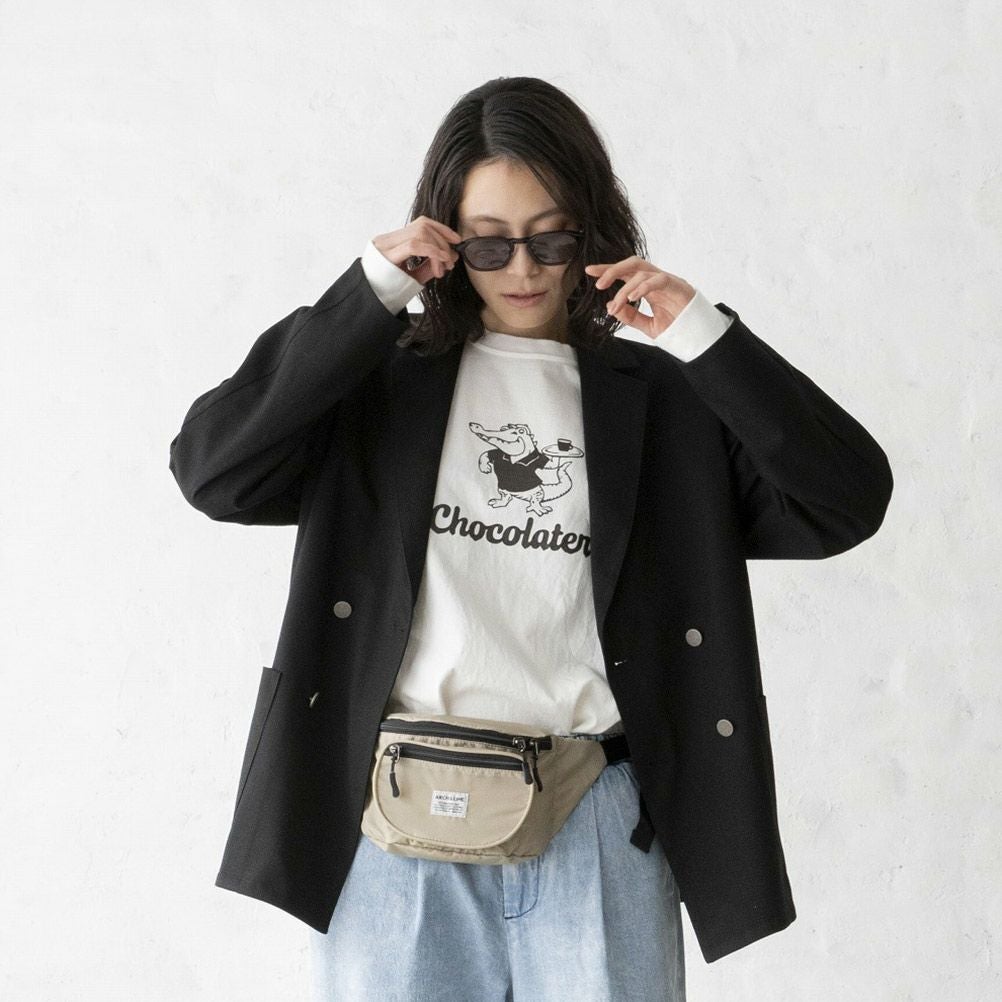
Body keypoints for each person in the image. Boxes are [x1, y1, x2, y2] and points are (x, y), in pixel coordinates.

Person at [168, 76, 893, 1001]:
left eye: (551, 239)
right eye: (488, 243)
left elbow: (846, 500)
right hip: (397, 816)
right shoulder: (378, 384)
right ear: (444, 239)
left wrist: (704, 337)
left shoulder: (662, 404)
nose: (523, 269)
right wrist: (368, 295)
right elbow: (213, 471)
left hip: (598, 812)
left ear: (592, 231)